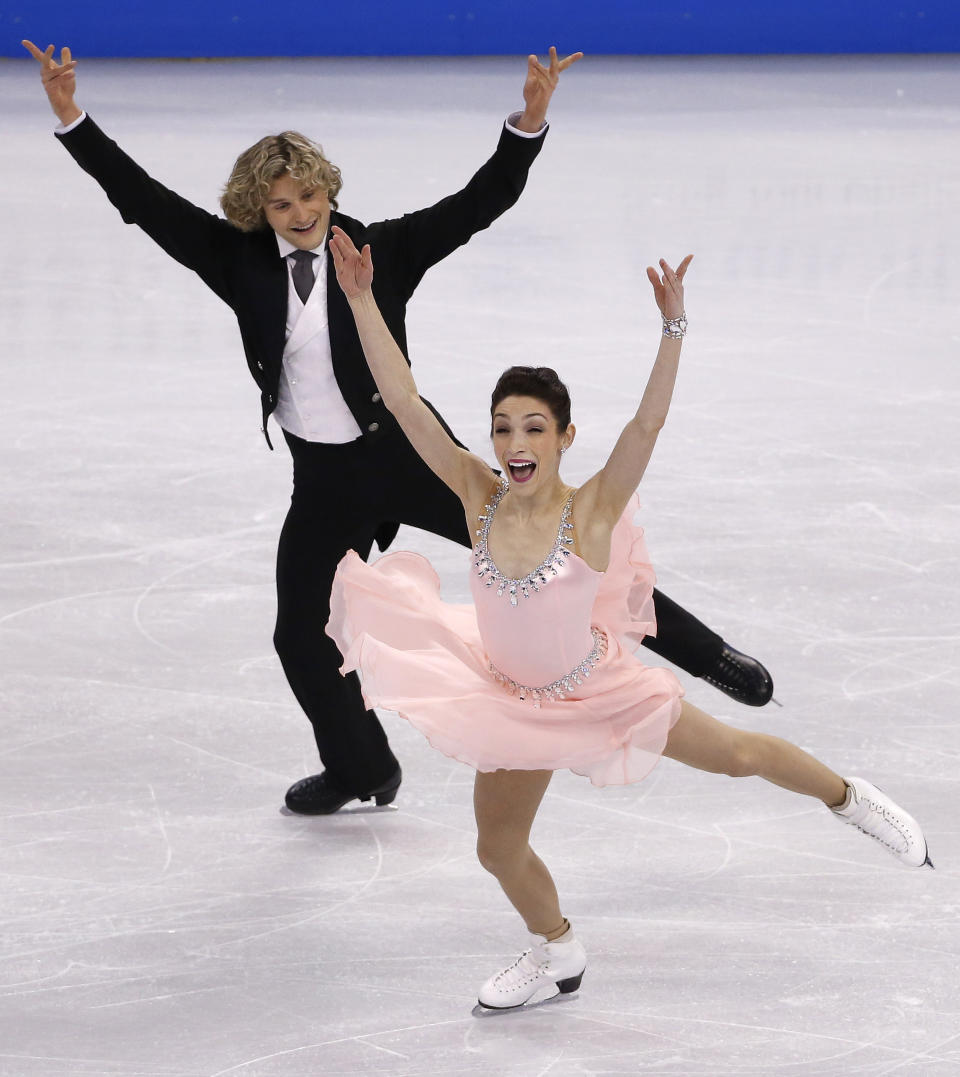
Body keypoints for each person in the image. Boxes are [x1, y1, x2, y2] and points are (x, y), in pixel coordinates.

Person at [24, 40, 775, 819]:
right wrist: (71, 116)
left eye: (309, 197)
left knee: (576, 561)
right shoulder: (236, 260)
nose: (301, 215)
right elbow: (144, 201)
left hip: (411, 458)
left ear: (327, 189)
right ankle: (362, 766)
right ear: (259, 211)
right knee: (298, 633)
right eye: (281, 206)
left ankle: (708, 653)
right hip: (322, 479)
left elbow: (478, 203)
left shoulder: (383, 251)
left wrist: (528, 122)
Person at [325, 225, 932, 1010]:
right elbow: (405, 400)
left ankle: (850, 797)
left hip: (599, 688)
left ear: (564, 436)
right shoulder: (477, 493)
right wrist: (364, 299)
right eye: (503, 426)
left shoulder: (593, 508)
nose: (515, 441)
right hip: (509, 696)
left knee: (739, 753)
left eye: (533, 427)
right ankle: (559, 952)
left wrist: (673, 328)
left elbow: (645, 427)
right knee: (496, 846)